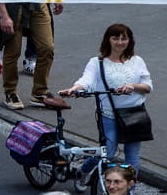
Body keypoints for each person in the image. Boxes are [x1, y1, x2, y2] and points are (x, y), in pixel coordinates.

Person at [61, 23, 153, 169]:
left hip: (134, 114)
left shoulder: (137, 61)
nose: (120, 42)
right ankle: (84, 171)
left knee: (132, 155)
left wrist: (133, 86)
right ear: (108, 40)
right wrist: (74, 89)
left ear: (130, 41)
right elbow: (87, 80)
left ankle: (129, 191)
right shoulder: (97, 62)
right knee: (108, 153)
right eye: (116, 38)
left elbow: (147, 87)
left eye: (124, 38)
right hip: (109, 114)